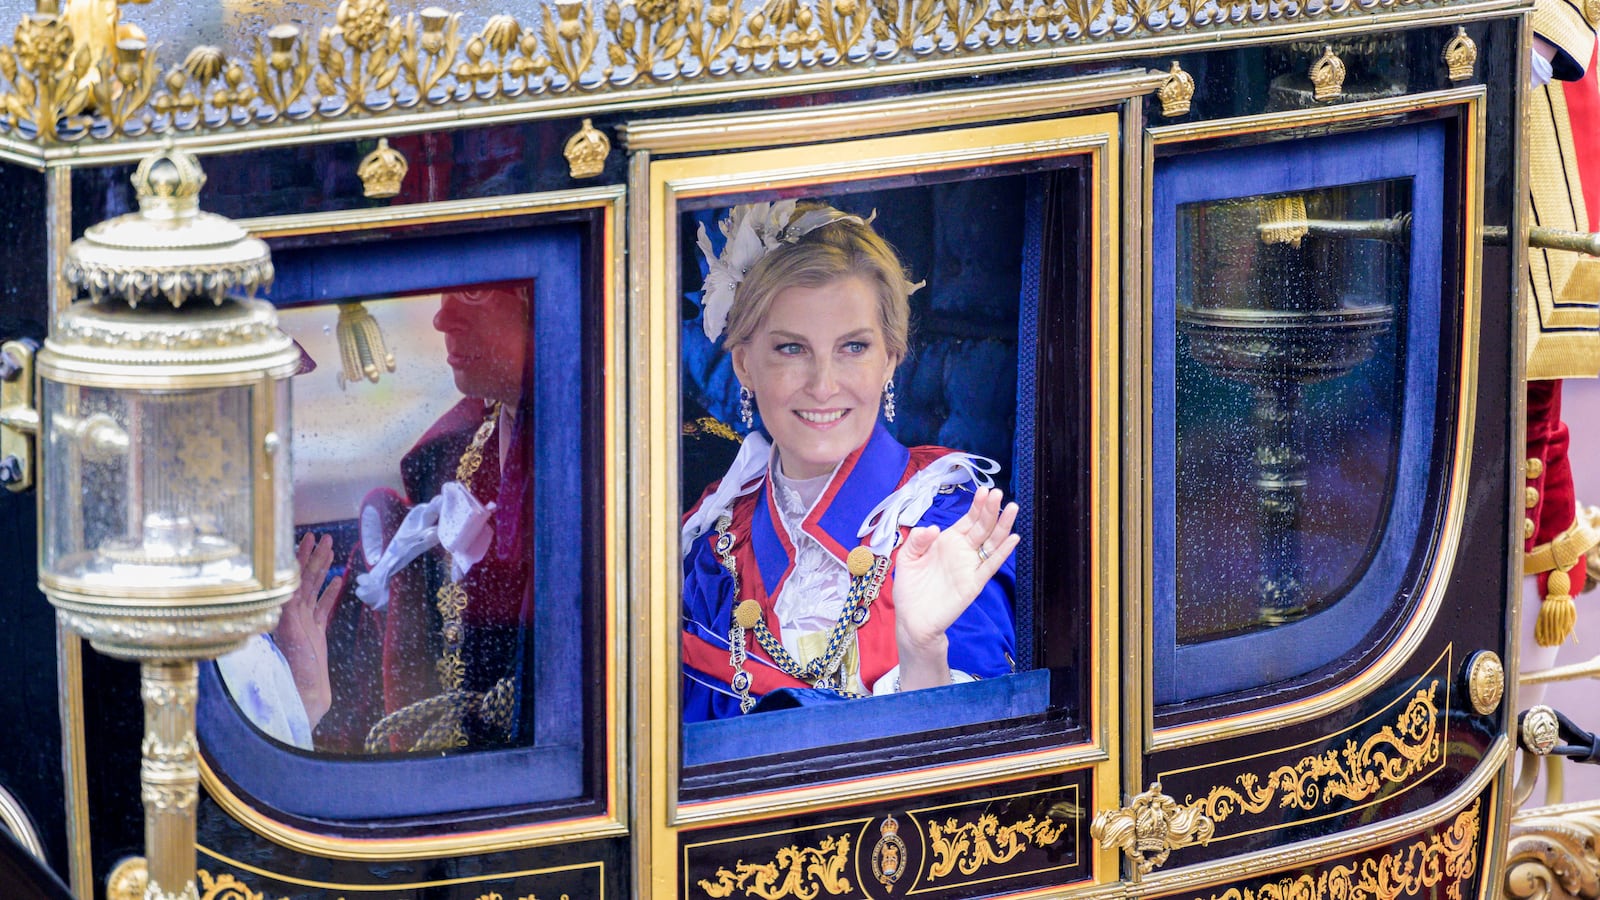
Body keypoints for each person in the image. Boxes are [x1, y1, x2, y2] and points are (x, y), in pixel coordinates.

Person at [679, 201, 1019, 721]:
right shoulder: (713, 545)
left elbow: (977, 769)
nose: (823, 385)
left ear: (891, 359)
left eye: (853, 347)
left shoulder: (946, 525)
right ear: (745, 364)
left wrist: (922, 648)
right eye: (792, 349)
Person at [270, 282, 535, 753]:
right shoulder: (451, 453)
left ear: (539, 307)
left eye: (472, 292)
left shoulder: (626, 454)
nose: (442, 320)